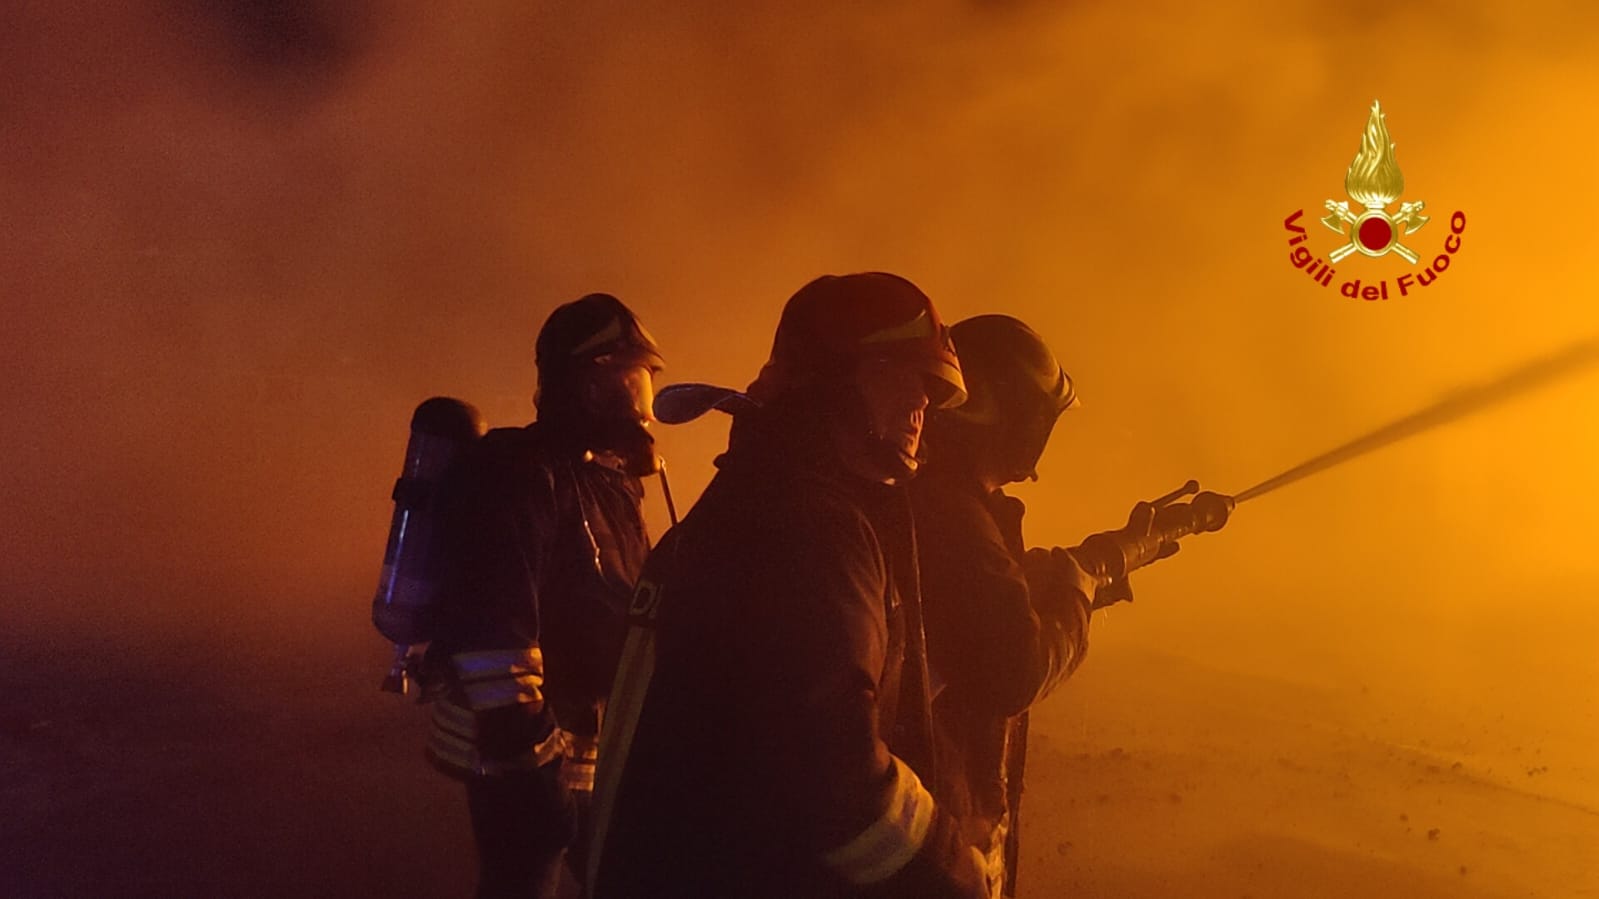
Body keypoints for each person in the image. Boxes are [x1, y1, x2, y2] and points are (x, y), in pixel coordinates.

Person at [587, 272, 990, 899]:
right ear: (831, 381)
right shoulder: (804, 531)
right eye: (900, 373)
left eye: (931, 386)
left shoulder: (750, 505)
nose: (922, 403)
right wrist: (956, 872)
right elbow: (836, 780)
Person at [910, 314, 1179, 897]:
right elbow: (1015, 668)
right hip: (942, 820)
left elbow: (979, 604)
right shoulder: (953, 515)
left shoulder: (942, 497)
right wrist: (1078, 593)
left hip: (930, 812)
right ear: (1015, 419)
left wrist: (1098, 563)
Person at [422, 293, 665, 899]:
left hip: (587, 747)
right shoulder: (517, 475)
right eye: (635, 377)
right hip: (517, 753)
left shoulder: (605, 481)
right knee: (523, 882)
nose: (645, 400)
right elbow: (492, 631)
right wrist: (528, 767)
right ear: (592, 382)